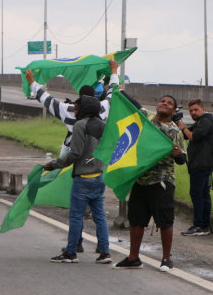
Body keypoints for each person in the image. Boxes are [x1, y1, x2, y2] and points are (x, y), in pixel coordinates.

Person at [26, 59, 119, 253]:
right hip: (98, 170)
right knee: (99, 215)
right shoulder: (104, 110)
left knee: (75, 211)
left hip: (75, 168)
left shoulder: (73, 115)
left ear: (80, 101)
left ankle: (74, 246)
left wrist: (32, 82)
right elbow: (112, 93)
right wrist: (114, 71)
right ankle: (104, 251)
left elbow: (47, 99)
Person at [114, 95, 187, 271]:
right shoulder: (146, 118)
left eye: (169, 103)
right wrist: (118, 89)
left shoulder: (175, 132)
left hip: (162, 181)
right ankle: (133, 258)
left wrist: (178, 155)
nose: (165, 103)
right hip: (141, 179)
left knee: (164, 220)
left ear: (173, 111)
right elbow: (133, 103)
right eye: (163, 101)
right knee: (136, 220)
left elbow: (182, 158)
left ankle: (166, 259)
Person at [45, 96, 112, 264]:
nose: (75, 112)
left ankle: (71, 252)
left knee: (76, 216)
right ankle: (105, 252)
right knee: (100, 217)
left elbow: (74, 153)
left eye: (76, 109)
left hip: (83, 179)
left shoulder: (80, 126)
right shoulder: (103, 126)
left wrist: (54, 164)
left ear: (85, 109)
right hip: (99, 177)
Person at [176, 99, 213, 236]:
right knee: (203, 195)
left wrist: (183, 127)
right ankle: (203, 225)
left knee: (197, 194)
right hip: (200, 164)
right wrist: (179, 126)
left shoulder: (206, 121)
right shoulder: (200, 122)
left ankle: (199, 225)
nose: (193, 113)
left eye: (196, 110)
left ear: (203, 109)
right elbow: (185, 135)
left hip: (201, 164)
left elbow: (194, 136)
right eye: (191, 110)